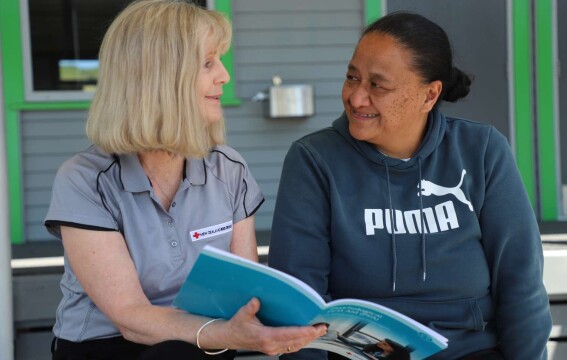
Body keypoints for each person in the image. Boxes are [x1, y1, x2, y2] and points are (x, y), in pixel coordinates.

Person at [43, 1, 326, 359]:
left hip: (206, 344)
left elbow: (245, 292)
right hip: (107, 347)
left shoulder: (228, 168)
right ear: (160, 78)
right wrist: (224, 333)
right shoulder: (85, 180)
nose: (224, 76)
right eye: (208, 63)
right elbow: (130, 318)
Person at [269, 11, 552, 360]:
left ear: (430, 95)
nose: (357, 98)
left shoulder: (481, 151)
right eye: (351, 77)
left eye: (377, 85)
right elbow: (300, 300)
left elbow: (520, 282)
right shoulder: (314, 160)